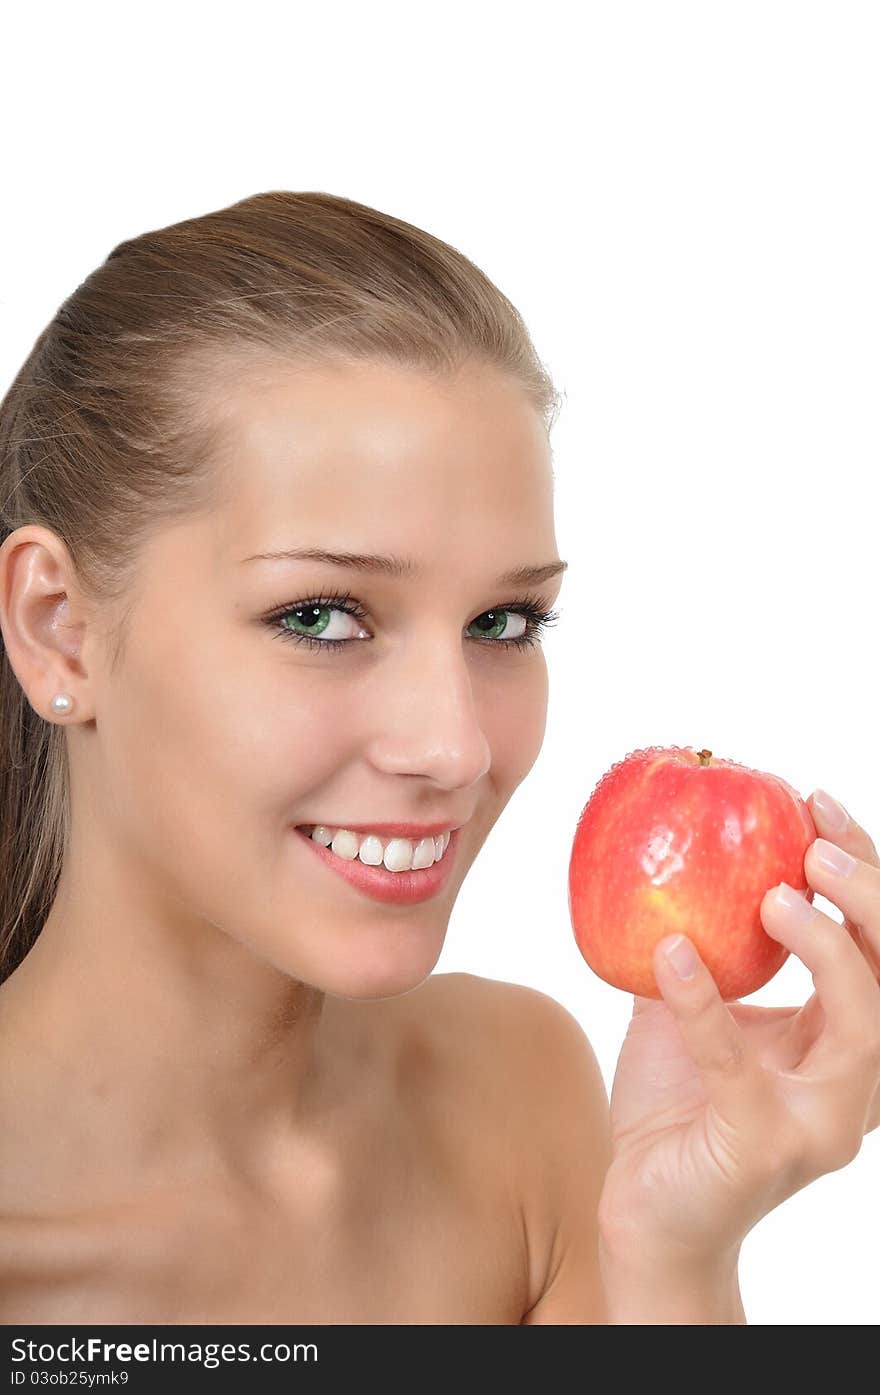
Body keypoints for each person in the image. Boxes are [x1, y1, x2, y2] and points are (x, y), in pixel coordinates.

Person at [0, 192, 877, 1326]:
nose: (455, 747)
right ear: (58, 627)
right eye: (320, 617)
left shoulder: (519, 1103)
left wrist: (674, 1258)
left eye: (502, 625)